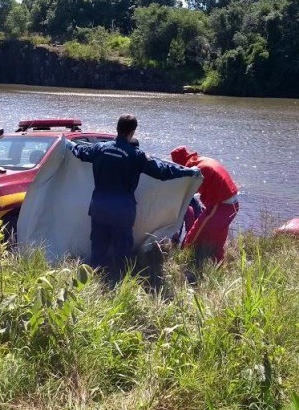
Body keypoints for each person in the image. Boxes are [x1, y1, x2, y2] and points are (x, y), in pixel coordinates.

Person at [67, 115, 202, 286]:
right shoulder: (135, 155)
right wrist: (188, 172)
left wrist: (68, 144)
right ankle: (119, 284)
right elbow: (162, 171)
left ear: (117, 128)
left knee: (98, 248)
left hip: (99, 208)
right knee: (121, 251)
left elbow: (79, 152)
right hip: (122, 211)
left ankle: (93, 282)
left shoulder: (99, 149)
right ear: (132, 132)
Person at [170, 146, 239, 271]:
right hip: (233, 205)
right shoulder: (202, 160)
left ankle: (184, 262)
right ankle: (218, 267)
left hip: (220, 206)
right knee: (217, 240)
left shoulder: (196, 169)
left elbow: (187, 193)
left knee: (195, 235)